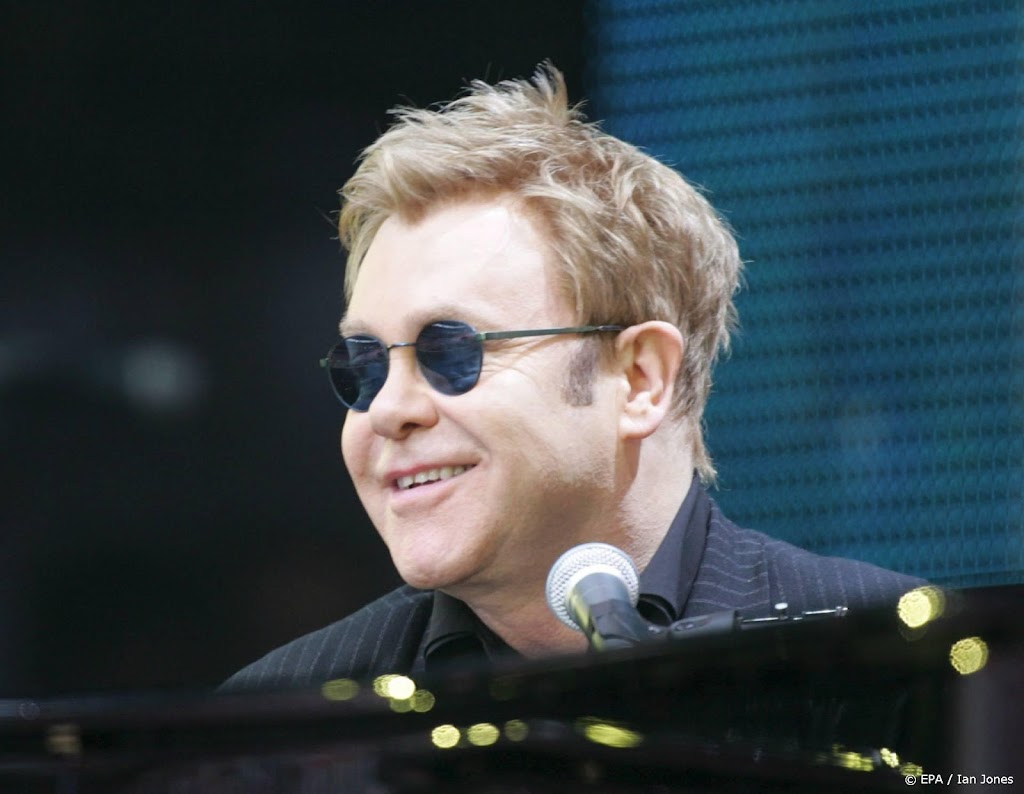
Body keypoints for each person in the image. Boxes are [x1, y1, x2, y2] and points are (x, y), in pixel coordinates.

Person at [224, 64, 923, 690]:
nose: (388, 410)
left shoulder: (904, 667)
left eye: (451, 352)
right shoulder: (285, 717)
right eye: (367, 365)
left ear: (640, 379)